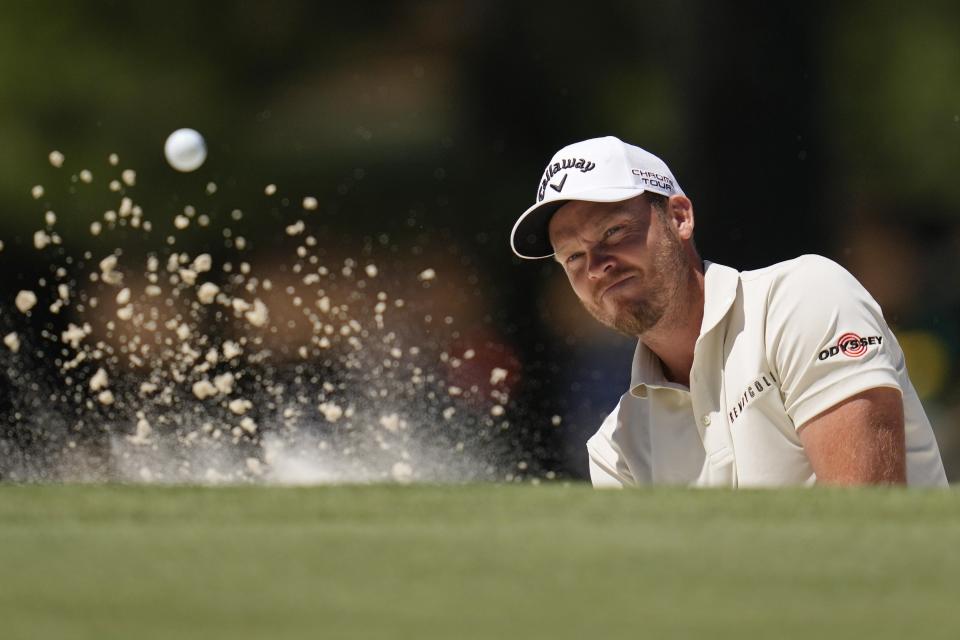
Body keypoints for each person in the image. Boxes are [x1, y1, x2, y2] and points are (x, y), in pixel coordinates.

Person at [510, 136, 947, 487]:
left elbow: (864, 525)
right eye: (573, 257)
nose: (598, 265)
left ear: (679, 217)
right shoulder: (616, 447)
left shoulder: (803, 297)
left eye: (614, 230)